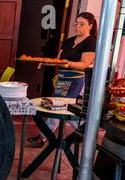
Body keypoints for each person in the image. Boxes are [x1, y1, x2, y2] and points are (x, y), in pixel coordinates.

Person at [27, 12, 97, 148]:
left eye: (81, 24)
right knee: (57, 106)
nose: (77, 26)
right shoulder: (69, 40)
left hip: (76, 80)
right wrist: (46, 62)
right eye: (76, 23)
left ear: (90, 26)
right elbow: (59, 60)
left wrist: (68, 63)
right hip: (63, 79)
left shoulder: (90, 42)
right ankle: (85, 130)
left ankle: (44, 136)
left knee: (63, 107)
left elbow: (84, 64)